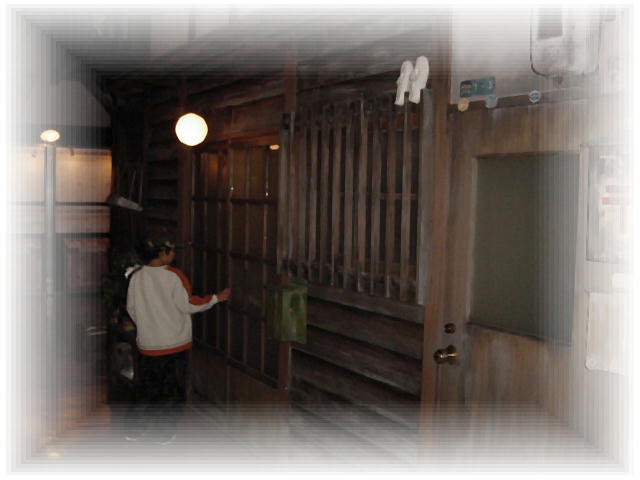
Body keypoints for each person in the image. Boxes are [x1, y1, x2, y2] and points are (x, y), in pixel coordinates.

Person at [124, 229, 230, 444]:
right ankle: (163, 434)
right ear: (162, 253)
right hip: (174, 345)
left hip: (148, 345)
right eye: (171, 251)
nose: (174, 254)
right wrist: (216, 298)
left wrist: (147, 326)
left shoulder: (136, 277)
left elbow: (131, 309)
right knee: (172, 389)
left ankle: (134, 430)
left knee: (146, 388)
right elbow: (188, 304)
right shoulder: (174, 275)